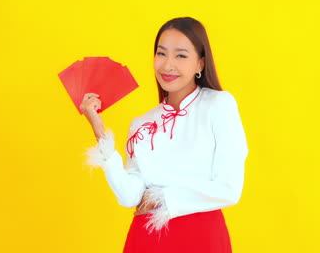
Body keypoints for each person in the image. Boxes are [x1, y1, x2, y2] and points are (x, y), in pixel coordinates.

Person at [80, 17, 248, 253]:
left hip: (202, 238)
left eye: (180, 55)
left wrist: (162, 199)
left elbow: (229, 189)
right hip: (146, 240)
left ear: (200, 63)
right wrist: (97, 126)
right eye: (161, 54)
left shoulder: (219, 105)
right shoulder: (142, 124)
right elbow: (130, 197)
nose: (168, 65)